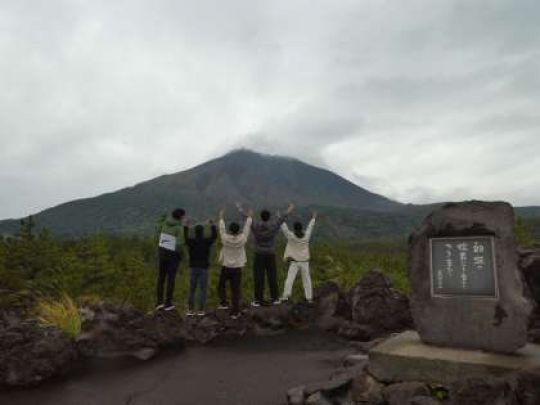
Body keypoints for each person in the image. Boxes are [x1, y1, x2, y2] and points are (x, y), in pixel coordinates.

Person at [242, 202, 295, 306]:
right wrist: (290, 208)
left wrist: (247, 213)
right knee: (272, 276)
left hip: (258, 254)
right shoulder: (273, 226)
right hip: (270, 254)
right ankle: (275, 298)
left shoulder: (256, 225)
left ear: (261, 217)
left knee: (258, 276)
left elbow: (248, 220)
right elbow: (282, 218)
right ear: (269, 217)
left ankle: (258, 299)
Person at [217, 208, 253, 319]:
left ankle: (223, 302)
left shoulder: (225, 238)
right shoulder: (242, 239)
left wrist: (221, 217)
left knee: (221, 285)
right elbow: (247, 228)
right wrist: (249, 217)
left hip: (226, 266)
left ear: (230, 230)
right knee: (235, 290)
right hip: (237, 268)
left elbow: (222, 229)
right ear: (238, 230)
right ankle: (235, 312)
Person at [280, 212, 317, 303]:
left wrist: (280, 218)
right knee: (307, 280)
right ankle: (309, 298)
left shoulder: (291, 236)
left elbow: (284, 229)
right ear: (301, 228)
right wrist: (313, 218)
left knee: (289, 279)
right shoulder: (306, 236)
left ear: (294, 229)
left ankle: (286, 296)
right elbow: (310, 227)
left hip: (294, 262)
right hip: (305, 261)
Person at [184, 220, 218, 317]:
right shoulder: (206, 241)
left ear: (195, 232)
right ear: (203, 231)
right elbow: (214, 236)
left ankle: (190, 310)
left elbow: (185, 237)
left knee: (192, 289)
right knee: (203, 289)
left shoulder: (191, 242)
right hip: (204, 268)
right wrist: (212, 225)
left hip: (193, 267)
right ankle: (201, 310)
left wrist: (186, 226)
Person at [156, 208, 186, 311]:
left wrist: (162, 217)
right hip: (172, 255)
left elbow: (158, 228)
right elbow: (179, 244)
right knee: (171, 279)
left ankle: (159, 302)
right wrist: (181, 255)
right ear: (181, 217)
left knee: (161, 277)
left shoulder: (165, 223)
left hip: (162, 252)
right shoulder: (179, 228)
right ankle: (168, 303)